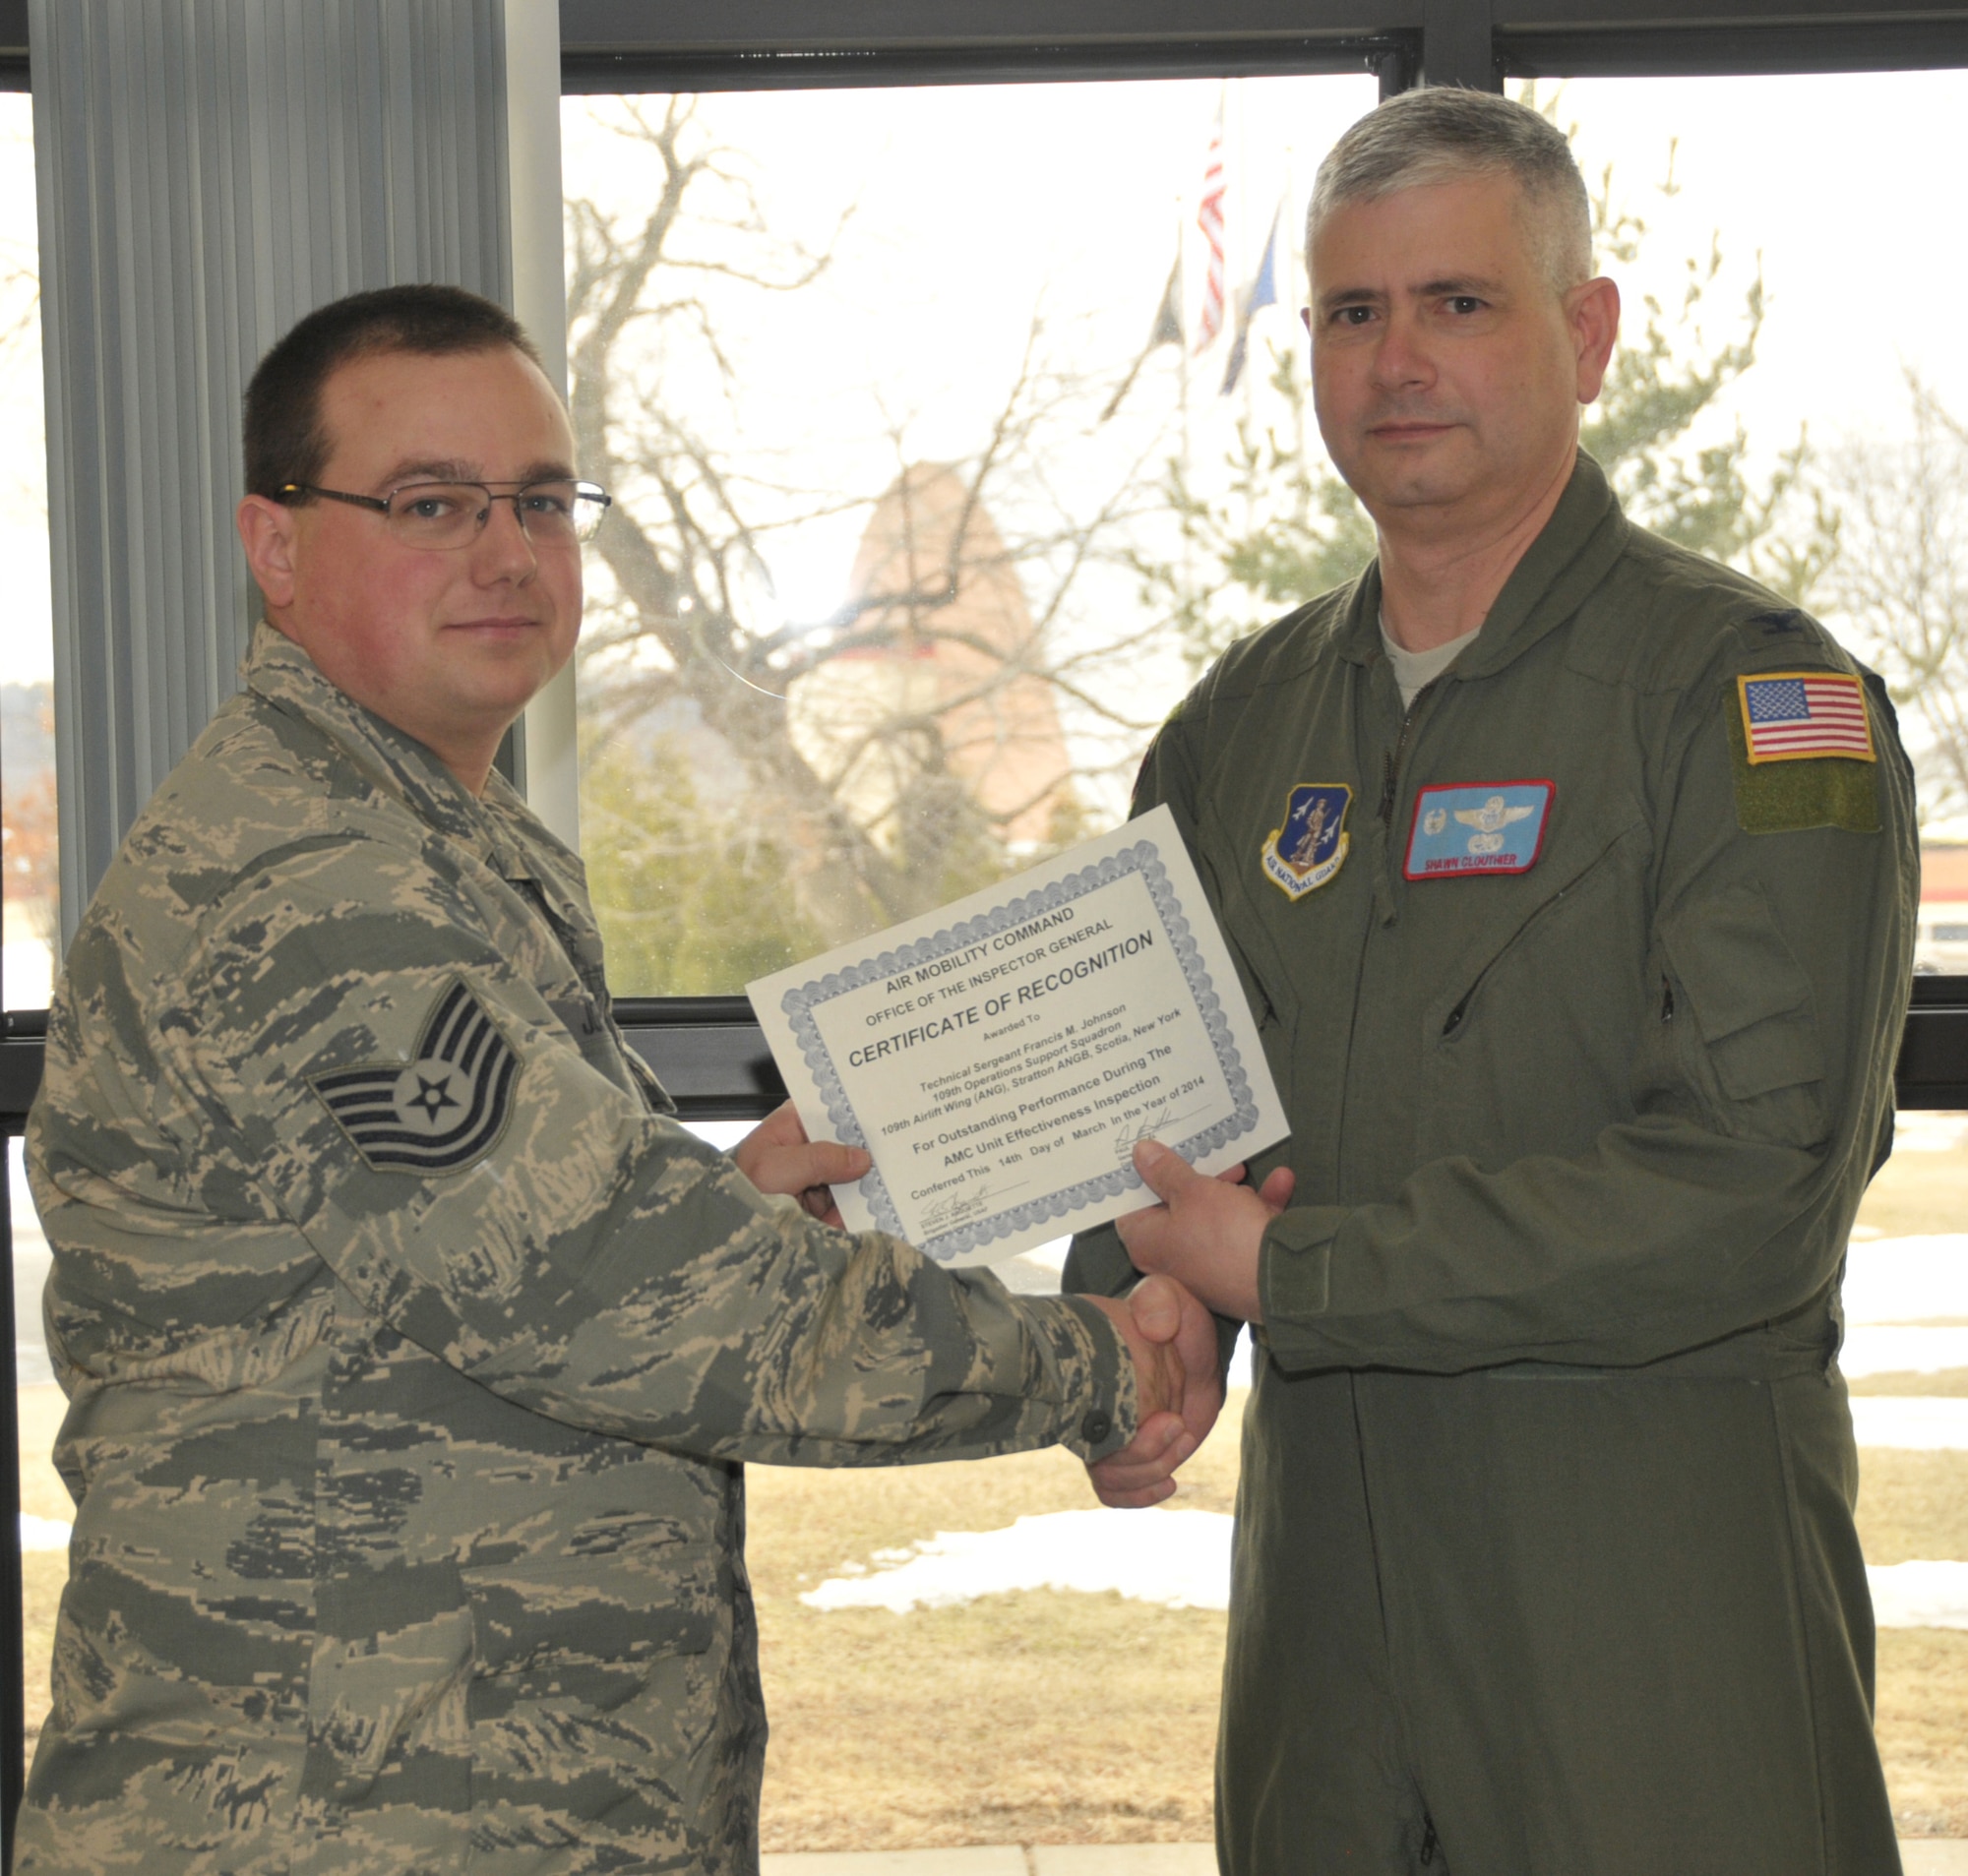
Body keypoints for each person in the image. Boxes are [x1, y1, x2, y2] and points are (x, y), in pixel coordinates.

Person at [20, 285, 1225, 1875]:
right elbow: (619, 1295)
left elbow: (456, 1282)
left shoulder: (429, 834)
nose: (507, 552)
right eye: (431, 504)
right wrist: (1098, 1365)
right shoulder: (310, 883)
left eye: (540, 500)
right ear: (279, 546)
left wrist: (723, 1207)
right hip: (329, 1815)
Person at [1067, 88, 1917, 1876]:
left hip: (1652, 1645)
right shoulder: (1237, 733)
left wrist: (1290, 1269)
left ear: (1584, 335)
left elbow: (1755, 1192)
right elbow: (1149, 1107)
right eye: (1352, 313)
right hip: (1330, 1662)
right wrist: (1148, 1334)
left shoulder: (1754, 705)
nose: (1398, 362)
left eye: (1460, 303)